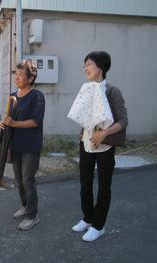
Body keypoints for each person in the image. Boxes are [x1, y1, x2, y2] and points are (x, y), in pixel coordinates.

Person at [69, 51, 128, 242]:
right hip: (86, 143)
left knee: (104, 187)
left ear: (100, 67)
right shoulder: (86, 89)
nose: (85, 68)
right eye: (84, 65)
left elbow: (123, 120)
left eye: (89, 65)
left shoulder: (112, 91)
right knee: (85, 184)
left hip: (105, 146)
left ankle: (99, 225)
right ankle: (88, 218)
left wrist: (104, 133)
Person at [0, 60, 45, 231]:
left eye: (20, 74)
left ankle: (33, 215)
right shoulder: (14, 95)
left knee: (28, 179)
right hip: (16, 144)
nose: (16, 77)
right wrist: (3, 123)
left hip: (31, 145)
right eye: (15, 74)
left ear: (31, 77)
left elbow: (36, 121)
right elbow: (8, 117)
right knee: (19, 179)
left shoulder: (37, 96)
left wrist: (14, 123)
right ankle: (25, 206)